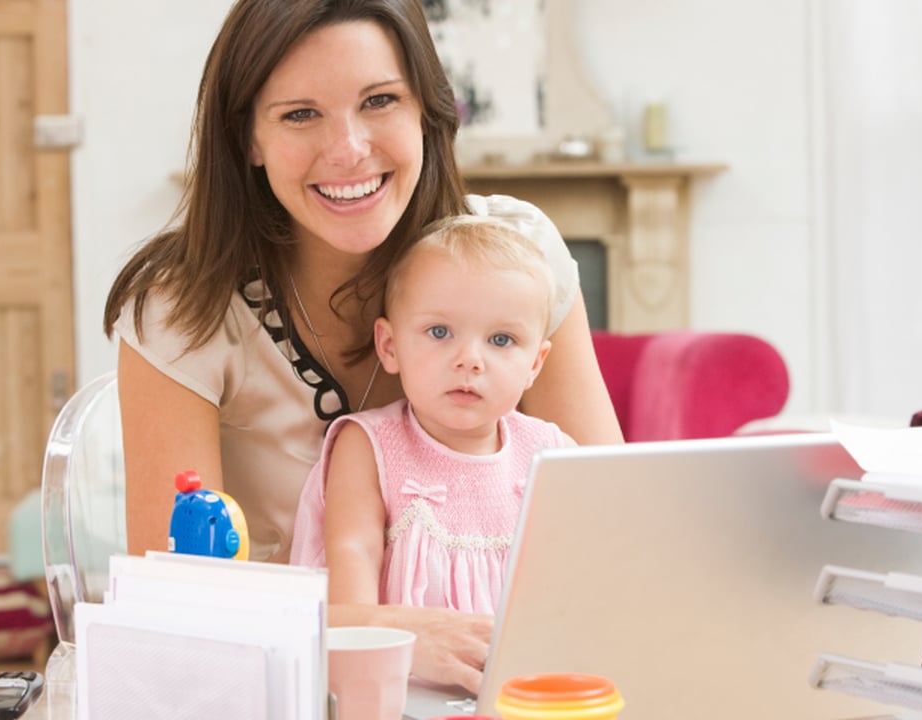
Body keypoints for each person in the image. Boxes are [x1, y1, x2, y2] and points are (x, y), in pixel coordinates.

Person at [102, 0, 622, 693]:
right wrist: (383, 637)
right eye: (299, 114)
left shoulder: (518, 259)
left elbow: (617, 529)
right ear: (247, 137)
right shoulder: (183, 309)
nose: (347, 150)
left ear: (428, 114)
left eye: (379, 101)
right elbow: (178, 607)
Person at [289, 214, 576, 617]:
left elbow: (587, 567)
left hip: (524, 673)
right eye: (440, 332)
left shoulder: (553, 453)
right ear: (389, 345)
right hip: (407, 669)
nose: (470, 361)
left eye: (501, 339)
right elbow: (352, 554)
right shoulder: (369, 446)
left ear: (535, 363)